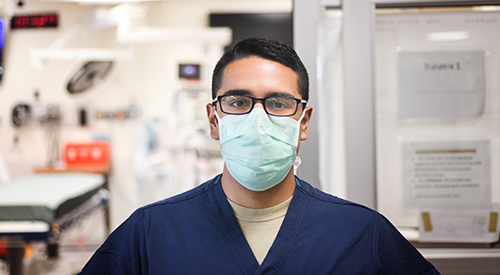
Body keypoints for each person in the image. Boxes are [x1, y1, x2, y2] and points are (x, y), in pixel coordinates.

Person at [80, 38, 439, 274]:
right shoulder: (151, 233)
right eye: (237, 102)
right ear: (214, 120)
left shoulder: (362, 235)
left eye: (278, 103)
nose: (257, 118)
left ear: (303, 122)